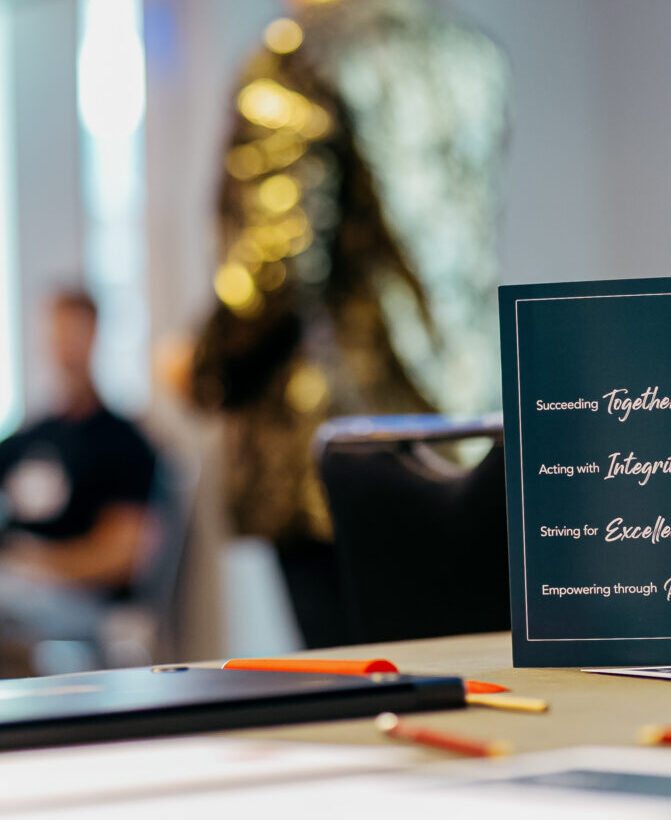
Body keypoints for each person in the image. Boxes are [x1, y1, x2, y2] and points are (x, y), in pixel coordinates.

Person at [188, 0, 510, 649]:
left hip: (336, 445)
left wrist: (204, 367)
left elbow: (276, 269)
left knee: (360, 684)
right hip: (466, 425)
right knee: (464, 672)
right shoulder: (471, 53)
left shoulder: (299, 57)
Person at [0, 289, 159, 672]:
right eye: (58, 334)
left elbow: (121, 558)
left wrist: (35, 563)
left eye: (75, 333)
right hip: (13, 585)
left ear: (95, 336)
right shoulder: (26, 438)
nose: (65, 346)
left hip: (82, 605)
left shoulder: (124, 443)